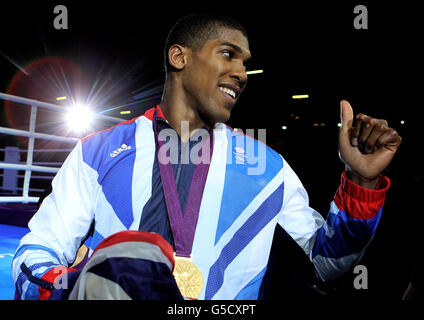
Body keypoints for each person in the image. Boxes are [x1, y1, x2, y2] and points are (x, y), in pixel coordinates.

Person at [12, 13, 402, 300]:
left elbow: (327, 260)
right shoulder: (96, 152)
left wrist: (361, 182)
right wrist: (77, 285)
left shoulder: (267, 167)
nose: (242, 73)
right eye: (229, 55)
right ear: (179, 58)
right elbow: (35, 255)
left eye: (245, 63)